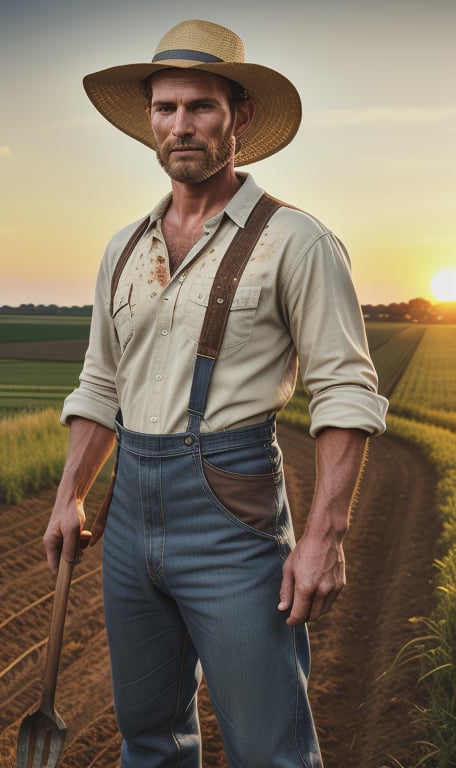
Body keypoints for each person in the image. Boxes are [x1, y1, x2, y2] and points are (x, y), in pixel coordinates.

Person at [43, 19, 388, 768]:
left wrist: (324, 538)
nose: (180, 125)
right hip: (129, 513)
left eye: (200, 106)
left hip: (232, 510)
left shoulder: (297, 241)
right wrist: (71, 492)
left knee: (270, 749)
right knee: (148, 736)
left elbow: (345, 392)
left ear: (242, 116)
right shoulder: (124, 248)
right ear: (149, 121)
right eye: (165, 108)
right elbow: (102, 382)